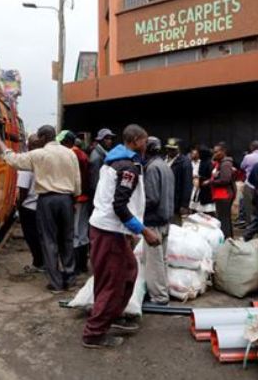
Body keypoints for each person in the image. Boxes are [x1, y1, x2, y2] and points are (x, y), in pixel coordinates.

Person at [83, 124, 161, 349]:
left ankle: (110, 315)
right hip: (110, 231)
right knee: (115, 280)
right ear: (136, 140)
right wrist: (143, 231)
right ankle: (94, 333)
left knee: (123, 273)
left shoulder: (115, 160)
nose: (146, 146)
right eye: (144, 141)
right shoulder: (128, 166)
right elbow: (119, 205)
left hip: (106, 228)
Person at [0, 125, 81, 293]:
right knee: (67, 239)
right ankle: (70, 278)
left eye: (39, 137)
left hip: (47, 200)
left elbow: (13, 159)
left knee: (49, 240)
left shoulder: (39, 154)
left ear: (43, 137)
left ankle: (55, 283)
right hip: (67, 199)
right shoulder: (70, 153)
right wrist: (74, 199)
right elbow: (77, 180)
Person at [142, 136, 174, 305]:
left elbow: (152, 198)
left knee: (154, 262)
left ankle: (159, 297)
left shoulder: (152, 168)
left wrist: (138, 209)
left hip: (154, 221)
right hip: (165, 219)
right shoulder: (165, 166)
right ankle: (163, 291)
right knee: (161, 260)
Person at [59, 130, 91, 274]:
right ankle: (82, 265)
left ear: (67, 142)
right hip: (83, 197)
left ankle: (78, 266)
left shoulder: (73, 155)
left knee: (76, 232)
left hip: (77, 198)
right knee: (82, 231)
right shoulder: (81, 155)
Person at [17, 135, 44, 273]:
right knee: (42, 236)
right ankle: (43, 262)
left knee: (31, 236)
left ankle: (38, 263)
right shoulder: (45, 159)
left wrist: (19, 205)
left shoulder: (27, 161)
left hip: (29, 206)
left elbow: (23, 188)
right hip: (44, 204)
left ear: (29, 146)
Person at [210, 143, 236, 238]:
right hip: (220, 195)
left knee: (223, 219)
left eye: (217, 152)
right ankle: (228, 237)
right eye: (214, 152)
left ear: (223, 151)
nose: (215, 154)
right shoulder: (221, 163)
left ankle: (226, 238)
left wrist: (212, 181)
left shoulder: (225, 164)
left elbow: (225, 180)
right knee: (224, 218)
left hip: (224, 195)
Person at [165, 138, 193, 224]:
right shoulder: (164, 160)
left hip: (176, 200)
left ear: (178, 149)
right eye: (169, 149)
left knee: (175, 227)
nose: (170, 151)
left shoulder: (184, 162)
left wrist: (184, 204)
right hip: (164, 199)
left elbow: (187, 184)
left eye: (173, 149)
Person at [89, 128, 116, 198]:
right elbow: (95, 182)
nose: (109, 141)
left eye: (110, 139)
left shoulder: (104, 153)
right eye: (106, 139)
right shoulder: (97, 157)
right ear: (100, 140)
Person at [194, 146, 215, 215]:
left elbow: (211, 175)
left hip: (207, 189)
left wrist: (206, 180)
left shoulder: (209, 163)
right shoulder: (202, 162)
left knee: (208, 209)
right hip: (202, 188)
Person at [189, 147, 202, 212]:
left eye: (195, 154)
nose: (193, 155)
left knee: (197, 200)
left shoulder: (201, 163)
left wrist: (197, 176)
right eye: (192, 154)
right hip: (191, 182)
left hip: (198, 182)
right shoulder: (189, 163)